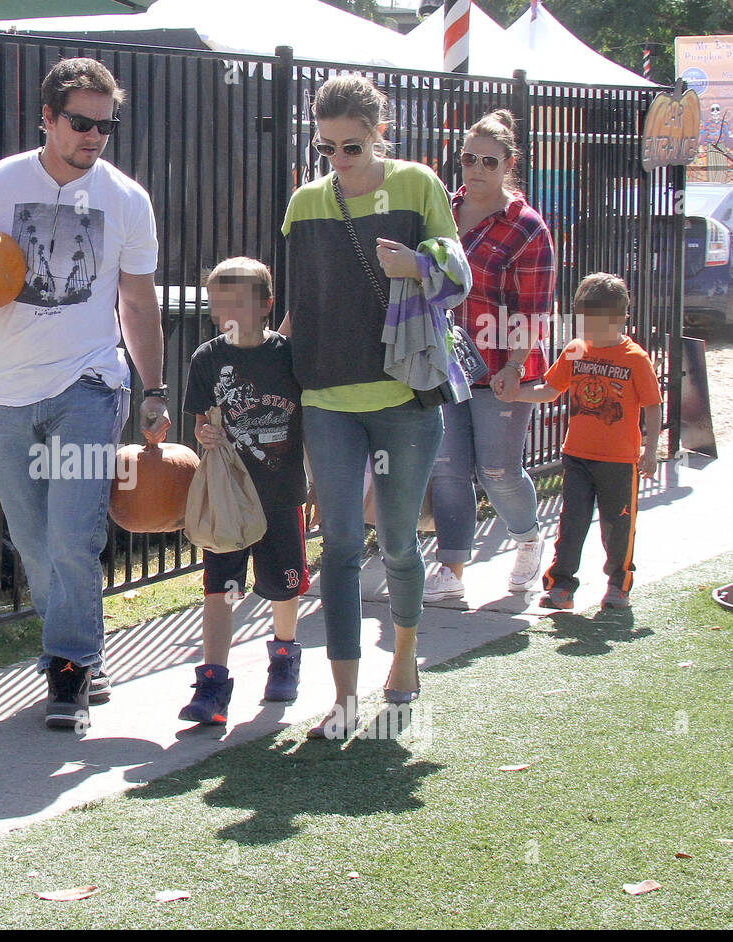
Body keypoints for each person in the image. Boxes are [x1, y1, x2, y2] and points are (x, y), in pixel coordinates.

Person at [0, 57, 168, 730]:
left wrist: (155, 388)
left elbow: (139, 303)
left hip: (89, 386)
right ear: (47, 118)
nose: (93, 136)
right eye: (80, 122)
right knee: (33, 543)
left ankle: (68, 671)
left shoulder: (127, 199)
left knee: (71, 536)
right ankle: (85, 654)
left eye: (105, 125)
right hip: (8, 390)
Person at [279, 74, 468, 740]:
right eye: (327, 146)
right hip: (327, 395)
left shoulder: (417, 184)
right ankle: (342, 695)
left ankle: (406, 660)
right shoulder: (305, 203)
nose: (338, 159)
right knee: (335, 549)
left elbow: (457, 274)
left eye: (351, 146)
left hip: (403, 393)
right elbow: (300, 305)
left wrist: (416, 265)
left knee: (396, 544)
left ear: (377, 133)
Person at [424, 110, 556, 604]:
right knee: (448, 467)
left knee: (497, 470)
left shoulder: (526, 226)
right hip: (445, 361)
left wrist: (515, 366)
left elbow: (535, 307)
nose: (476, 169)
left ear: (508, 164)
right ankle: (452, 568)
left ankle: (527, 537)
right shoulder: (443, 209)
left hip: (503, 363)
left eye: (488, 161)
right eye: (468, 159)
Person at [179, 258, 308, 724]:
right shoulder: (208, 359)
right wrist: (205, 435)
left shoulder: (288, 356)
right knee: (221, 588)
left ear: (266, 306)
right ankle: (213, 684)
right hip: (229, 498)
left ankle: (284, 655)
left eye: (235, 303)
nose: (223, 314)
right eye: (217, 304)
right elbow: (200, 423)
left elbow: (312, 418)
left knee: (282, 585)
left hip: (280, 492)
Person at [505, 273, 661, 610]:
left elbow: (652, 404)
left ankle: (619, 584)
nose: (588, 330)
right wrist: (515, 393)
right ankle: (561, 585)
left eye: (597, 323)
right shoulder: (575, 350)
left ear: (619, 319)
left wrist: (650, 450)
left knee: (617, 526)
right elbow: (550, 390)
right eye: (584, 321)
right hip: (576, 457)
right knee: (571, 522)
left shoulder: (635, 358)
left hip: (619, 462)